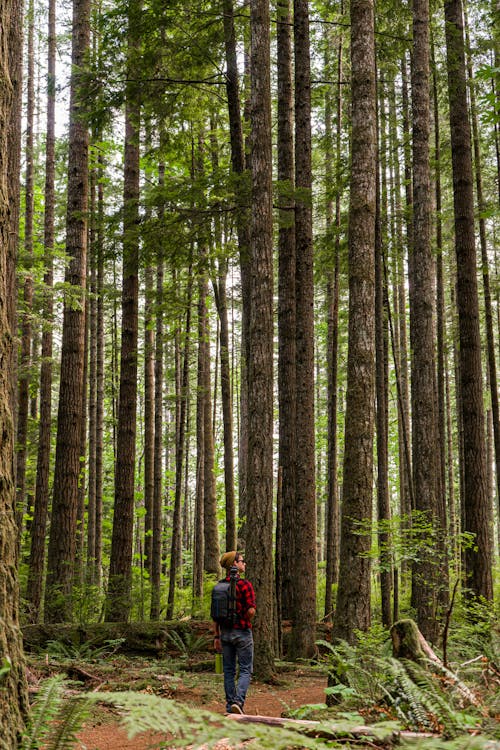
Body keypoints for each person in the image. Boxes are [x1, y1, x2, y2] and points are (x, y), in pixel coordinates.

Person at [213, 550, 256, 714]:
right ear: (234, 565)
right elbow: (251, 610)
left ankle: (229, 705)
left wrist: (216, 636)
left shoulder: (219, 587)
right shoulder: (245, 585)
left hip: (224, 634)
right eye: (241, 561)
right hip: (242, 633)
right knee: (245, 669)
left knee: (229, 671)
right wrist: (245, 618)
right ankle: (238, 701)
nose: (244, 563)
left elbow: (215, 616)